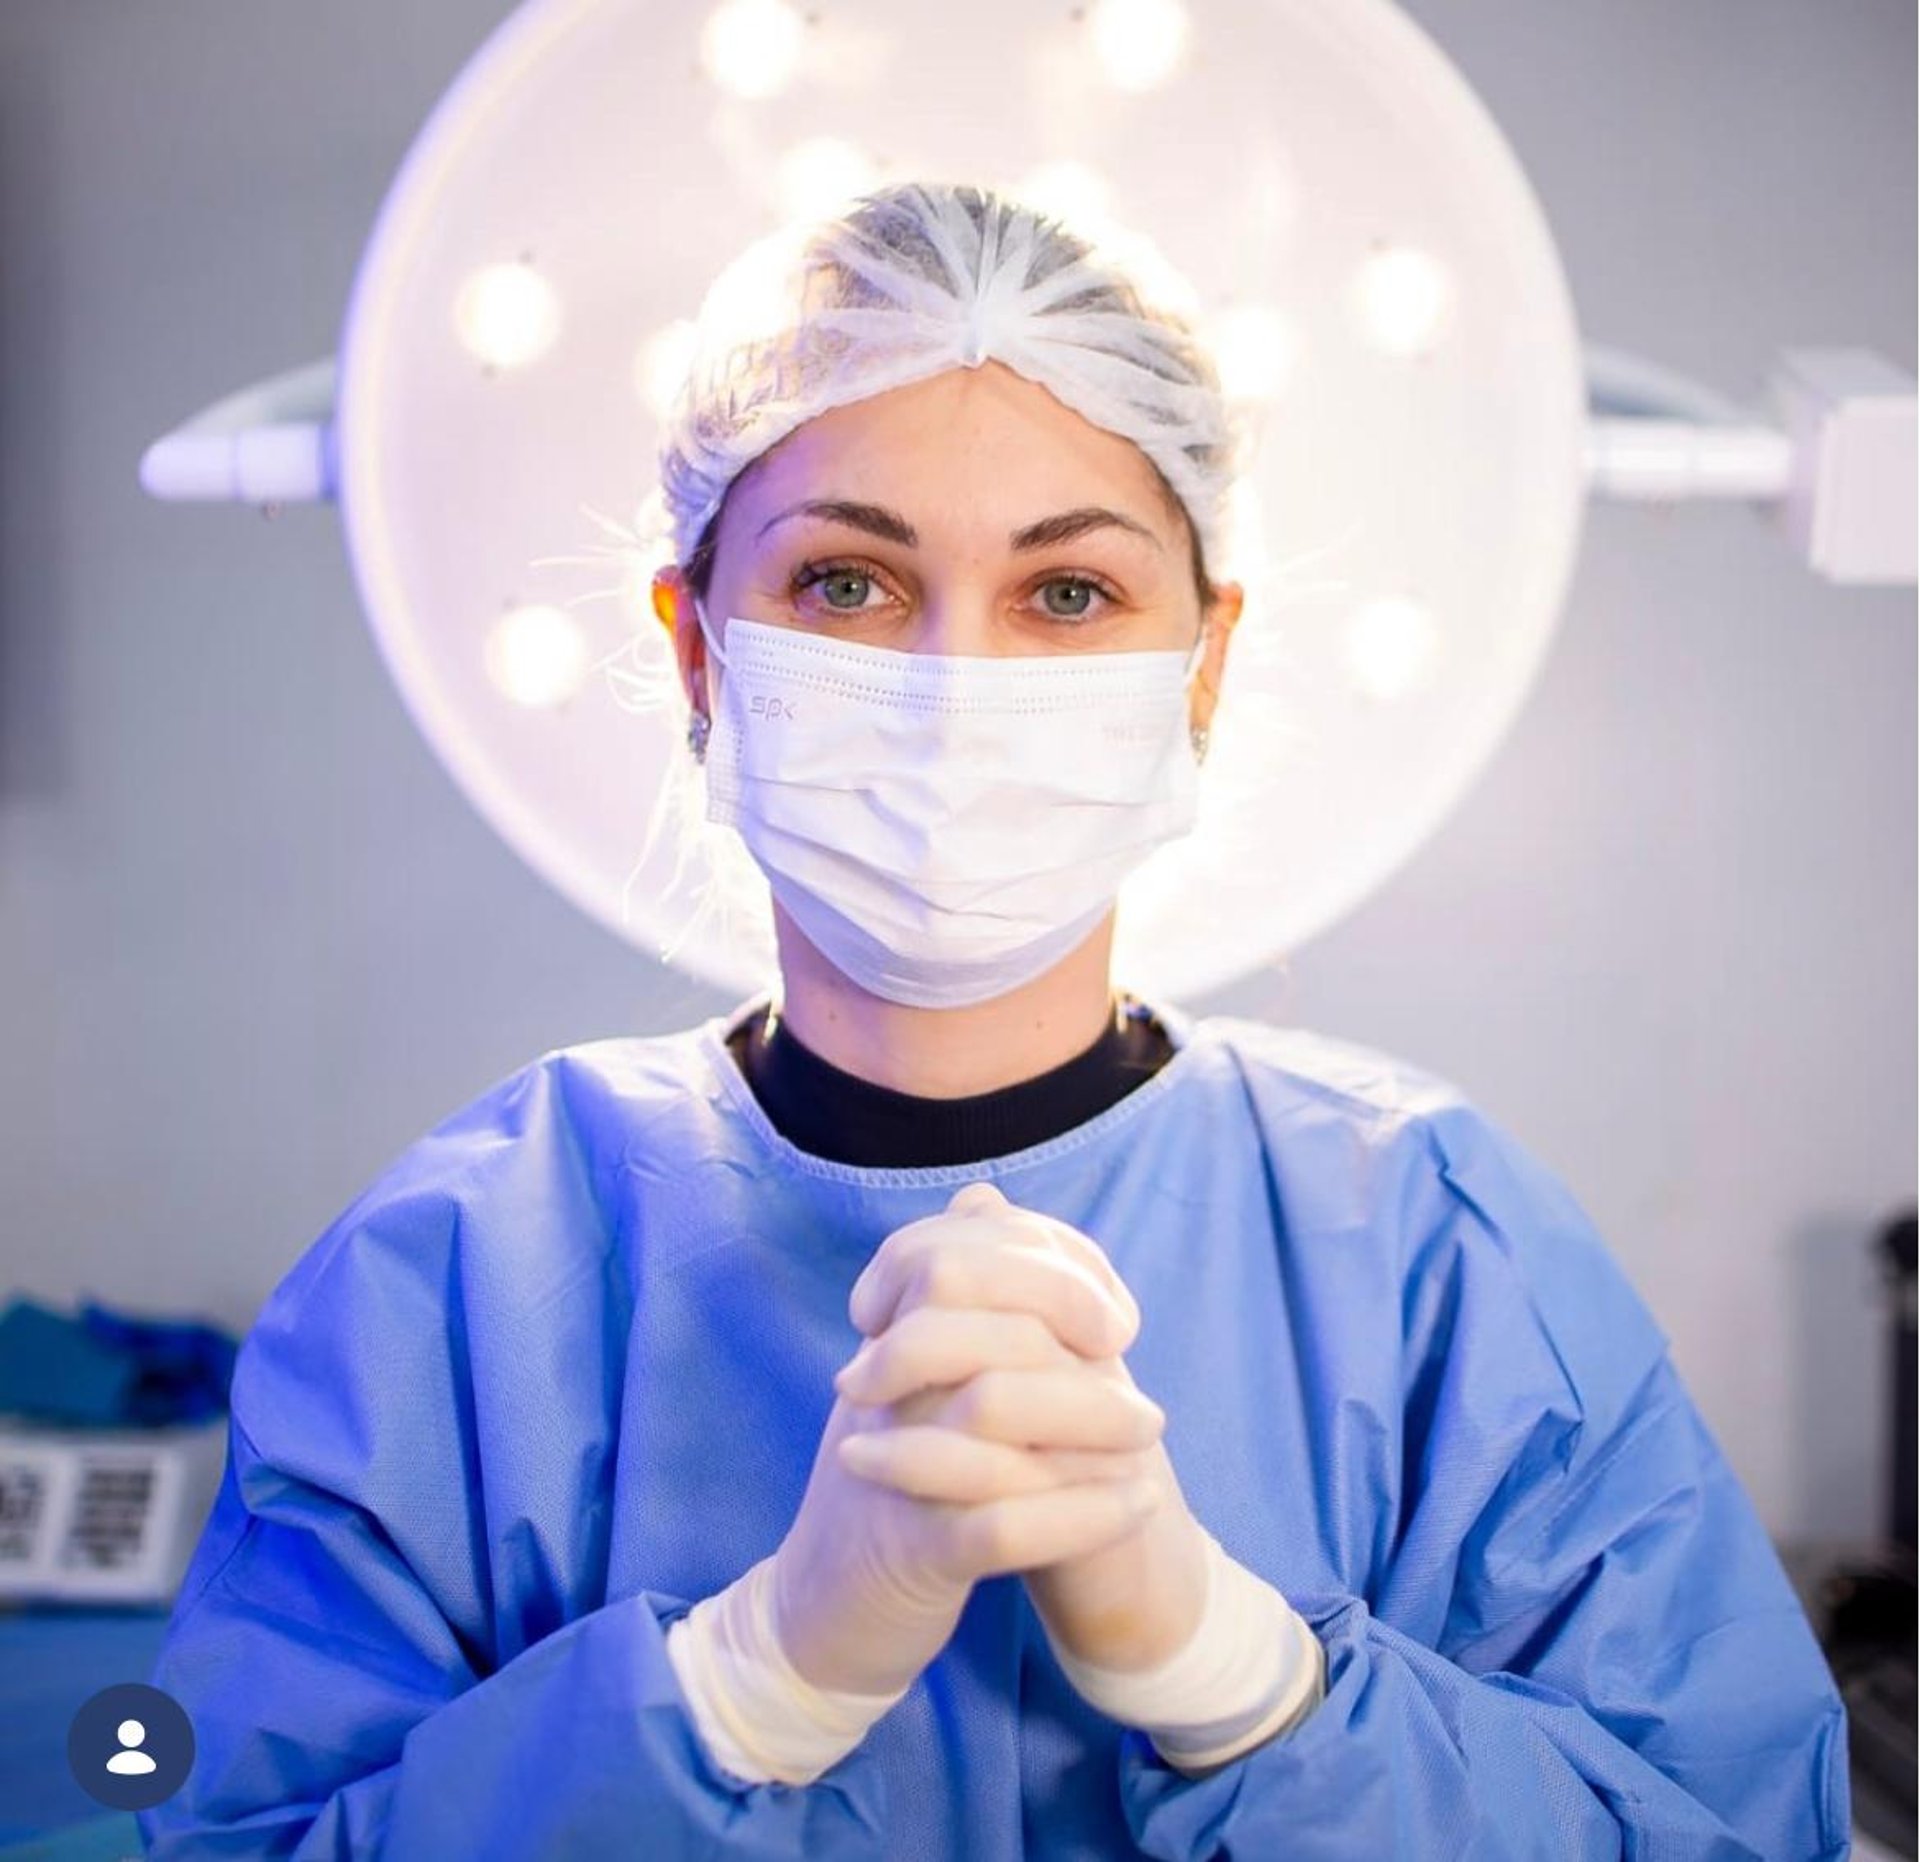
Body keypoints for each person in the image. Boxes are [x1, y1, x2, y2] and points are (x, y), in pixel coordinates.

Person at [138, 181, 1850, 1859]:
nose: (956, 684)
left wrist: (1252, 1688)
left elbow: (1745, 1826)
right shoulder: (456, 1280)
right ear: (698, 654)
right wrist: (744, 1688)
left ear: (1203, 664)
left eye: (1069, 592)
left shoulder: (1435, 1253)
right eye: (848, 583)